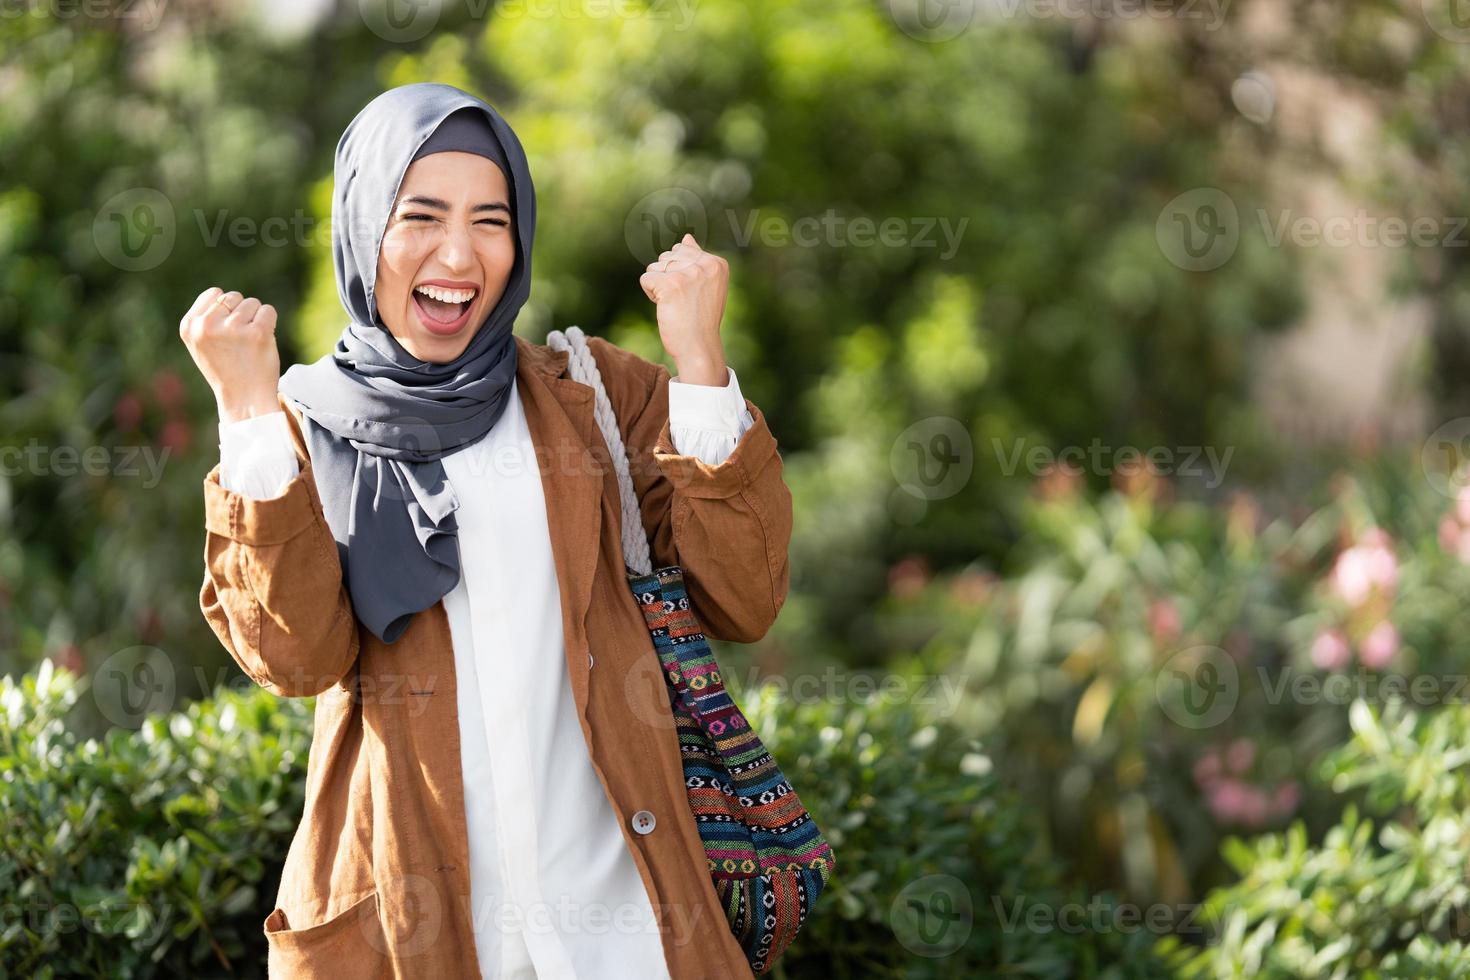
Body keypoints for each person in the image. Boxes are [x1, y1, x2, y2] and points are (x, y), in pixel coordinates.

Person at [178, 81, 791, 980]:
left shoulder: (597, 397)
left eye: (491, 220)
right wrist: (244, 412)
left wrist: (700, 365)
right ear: (361, 226)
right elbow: (296, 657)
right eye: (419, 215)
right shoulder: (300, 426)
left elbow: (742, 599)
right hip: (413, 934)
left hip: (622, 929)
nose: (459, 254)